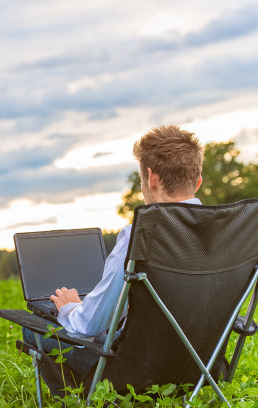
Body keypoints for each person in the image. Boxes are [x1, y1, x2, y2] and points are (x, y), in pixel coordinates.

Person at [22, 124, 205, 398]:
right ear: (198, 181)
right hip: (200, 366)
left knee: (33, 329)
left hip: (137, 374)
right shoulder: (224, 234)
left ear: (150, 178)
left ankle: (89, 400)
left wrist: (71, 308)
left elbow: (90, 326)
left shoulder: (139, 237)